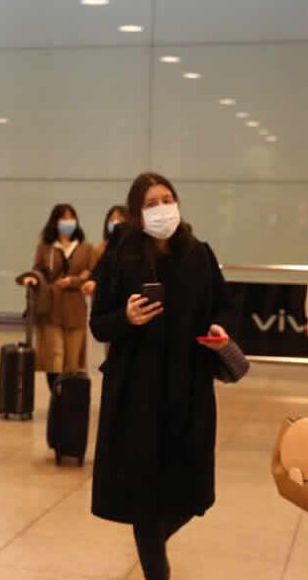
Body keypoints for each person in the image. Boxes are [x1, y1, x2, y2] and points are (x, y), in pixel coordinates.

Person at [89, 172, 232, 580]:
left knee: (190, 493)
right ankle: (155, 566)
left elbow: (224, 306)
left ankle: (153, 542)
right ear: (137, 213)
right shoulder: (120, 257)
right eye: (151, 203)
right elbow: (100, 324)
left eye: (167, 199)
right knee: (143, 498)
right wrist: (126, 317)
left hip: (189, 390)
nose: (161, 209)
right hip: (137, 394)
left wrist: (221, 329)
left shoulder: (199, 255)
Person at [23, 204, 96, 392]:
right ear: (55, 222)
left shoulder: (86, 248)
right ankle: (56, 394)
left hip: (76, 309)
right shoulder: (46, 248)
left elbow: (92, 274)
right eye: (63, 218)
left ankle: (69, 398)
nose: (68, 222)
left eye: (71, 218)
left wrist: (75, 280)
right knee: (55, 356)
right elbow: (37, 269)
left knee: (72, 359)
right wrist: (32, 277)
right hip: (51, 307)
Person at [82, 205, 128, 296]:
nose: (115, 222)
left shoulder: (132, 245)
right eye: (111, 219)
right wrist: (93, 281)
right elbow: (98, 271)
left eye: (119, 219)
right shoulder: (101, 248)